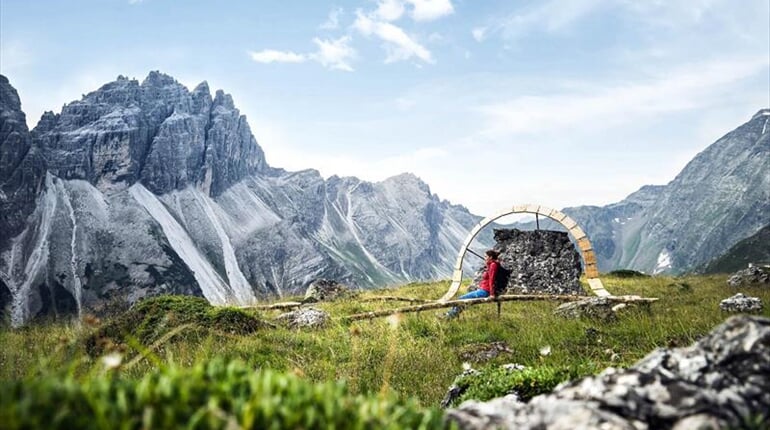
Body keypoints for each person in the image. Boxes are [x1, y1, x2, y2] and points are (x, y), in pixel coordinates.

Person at [443, 249, 500, 319]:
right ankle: (449, 315)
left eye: (486, 256)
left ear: (490, 257)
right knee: (462, 301)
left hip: (485, 291)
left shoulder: (493, 265)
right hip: (483, 290)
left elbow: (492, 280)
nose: (484, 258)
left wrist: (492, 294)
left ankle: (449, 316)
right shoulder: (491, 265)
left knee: (461, 299)